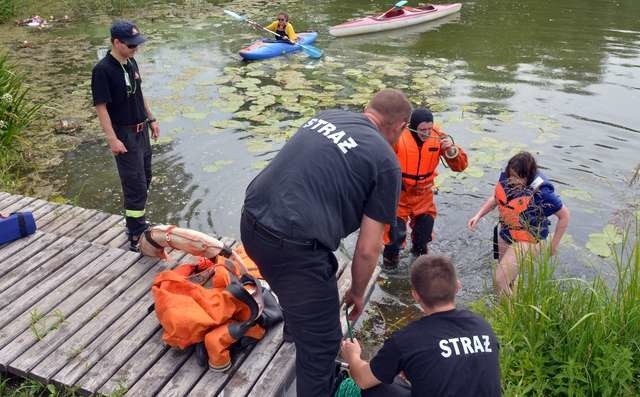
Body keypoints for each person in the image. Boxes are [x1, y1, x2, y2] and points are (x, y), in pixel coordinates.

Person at [240, 88, 412, 397]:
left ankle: (296, 328)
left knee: (311, 277)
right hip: (292, 248)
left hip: (251, 221)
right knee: (322, 345)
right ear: (400, 127)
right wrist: (358, 292)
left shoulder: (326, 116)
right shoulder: (386, 162)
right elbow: (368, 248)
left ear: (366, 107)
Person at [341, 255, 501, 397]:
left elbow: (363, 379)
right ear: (457, 286)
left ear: (415, 295)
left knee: (378, 385)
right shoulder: (482, 326)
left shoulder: (407, 339)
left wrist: (353, 356)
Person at [91, 20, 160, 252]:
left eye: (137, 45)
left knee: (146, 178)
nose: (135, 49)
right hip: (124, 134)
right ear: (117, 42)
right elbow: (101, 108)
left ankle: (136, 222)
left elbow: (139, 94)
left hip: (141, 131)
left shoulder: (131, 62)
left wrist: (151, 119)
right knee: (135, 184)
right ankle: (135, 232)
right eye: (131, 45)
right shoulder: (102, 71)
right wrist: (112, 139)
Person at [467, 151, 570, 295]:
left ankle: (509, 314)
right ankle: (512, 304)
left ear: (527, 176)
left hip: (529, 238)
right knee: (508, 279)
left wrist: (554, 245)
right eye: (510, 176)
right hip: (507, 232)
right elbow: (496, 199)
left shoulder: (542, 193)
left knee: (499, 281)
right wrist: (478, 216)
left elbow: (564, 215)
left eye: (516, 177)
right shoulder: (507, 180)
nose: (512, 181)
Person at [382, 107, 468, 270]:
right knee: (393, 241)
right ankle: (389, 270)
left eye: (429, 128)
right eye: (423, 130)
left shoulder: (438, 137)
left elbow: (460, 166)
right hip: (399, 196)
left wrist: (451, 150)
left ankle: (420, 271)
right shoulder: (398, 136)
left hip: (424, 197)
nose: (427, 133)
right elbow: (380, 159)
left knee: (422, 242)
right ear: (413, 126)